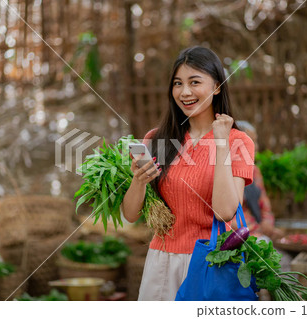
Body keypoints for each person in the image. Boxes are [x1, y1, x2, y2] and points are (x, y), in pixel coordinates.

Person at [121, 46, 255, 301]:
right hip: (161, 262)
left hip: (211, 262)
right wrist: (138, 181)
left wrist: (221, 143)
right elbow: (130, 215)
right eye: (178, 83)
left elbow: (225, 211)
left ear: (217, 86)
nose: (185, 92)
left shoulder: (239, 142)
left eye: (195, 82)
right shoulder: (156, 140)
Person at [234, 121, 284, 240]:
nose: (255, 146)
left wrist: (267, 222)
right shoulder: (225, 173)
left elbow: (265, 205)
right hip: (239, 235)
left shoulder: (255, 171)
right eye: (250, 141)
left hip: (258, 232)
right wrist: (259, 229)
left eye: (255, 141)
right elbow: (230, 218)